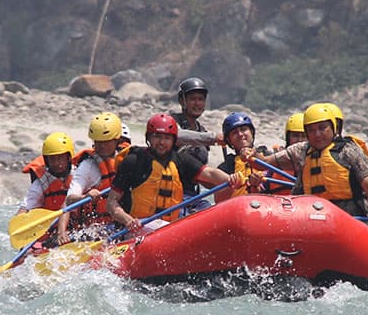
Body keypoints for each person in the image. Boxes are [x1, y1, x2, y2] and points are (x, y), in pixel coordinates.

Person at [107, 113, 243, 236]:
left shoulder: (181, 160)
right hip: (139, 228)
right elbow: (112, 202)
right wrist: (128, 220)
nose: (161, 142)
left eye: (166, 138)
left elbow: (210, 173)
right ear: (148, 138)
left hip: (169, 228)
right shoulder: (134, 160)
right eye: (157, 137)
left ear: (173, 141)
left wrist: (230, 178)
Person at [271, 102, 368, 235]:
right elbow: (264, 162)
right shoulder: (304, 153)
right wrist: (251, 155)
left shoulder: (349, 151)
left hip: (353, 217)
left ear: (333, 128)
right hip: (316, 219)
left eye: (322, 128)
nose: (317, 134)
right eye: (311, 130)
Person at [55, 112, 132, 243]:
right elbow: (69, 200)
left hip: (124, 223)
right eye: (98, 142)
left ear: (117, 140)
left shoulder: (128, 160)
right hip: (97, 230)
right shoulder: (87, 166)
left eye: (106, 142)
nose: (101, 146)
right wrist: (85, 198)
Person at [170, 76, 225, 212]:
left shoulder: (202, 131)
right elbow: (177, 135)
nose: (197, 103)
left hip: (191, 195)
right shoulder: (171, 122)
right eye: (193, 99)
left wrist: (229, 183)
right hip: (170, 191)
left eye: (200, 99)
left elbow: (202, 175)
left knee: (209, 210)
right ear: (182, 100)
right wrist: (213, 138)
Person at [17, 132, 75, 248]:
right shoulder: (40, 183)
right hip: (49, 237)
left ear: (68, 157)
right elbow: (25, 209)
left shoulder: (79, 174)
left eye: (60, 158)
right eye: (52, 159)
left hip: (77, 231)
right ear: (46, 160)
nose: (57, 163)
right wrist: (19, 226)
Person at [216, 112, 270, 199]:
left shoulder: (267, 156)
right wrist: (231, 185)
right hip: (238, 209)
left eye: (243, 129)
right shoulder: (226, 167)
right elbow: (218, 200)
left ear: (251, 132)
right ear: (229, 140)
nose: (240, 134)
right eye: (234, 133)